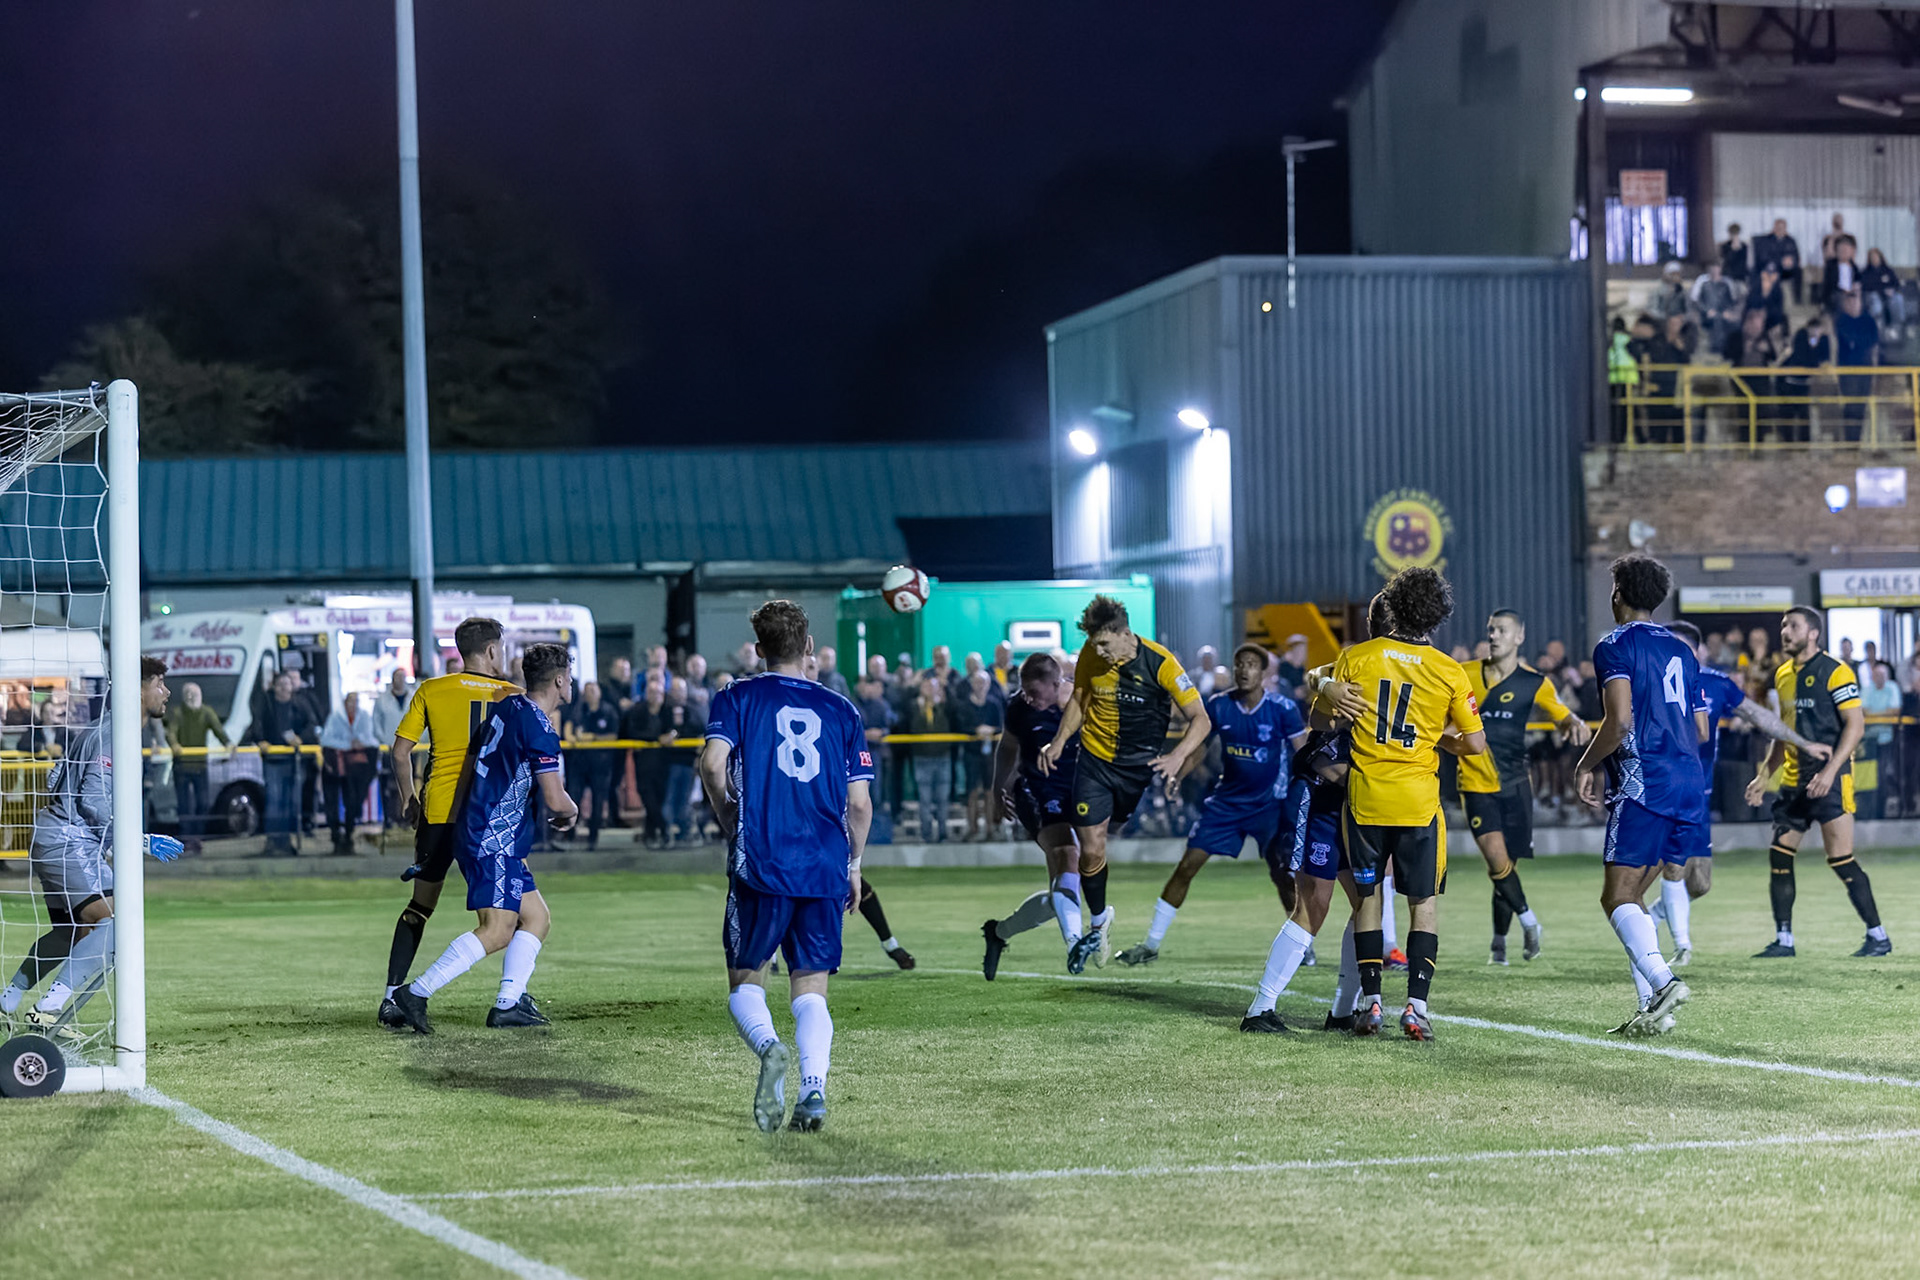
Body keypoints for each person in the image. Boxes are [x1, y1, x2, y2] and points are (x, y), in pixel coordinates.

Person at [699, 599, 873, 1133]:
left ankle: (769, 1047)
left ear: (759, 650)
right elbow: (860, 804)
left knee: (746, 981)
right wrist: (854, 863)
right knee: (811, 986)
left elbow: (711, 762)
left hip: (763, 859)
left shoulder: (736, 695)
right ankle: (814, 1091)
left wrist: (729, 812)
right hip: (824, 862)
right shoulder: (843, 710)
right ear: (808, 649)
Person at [1312, 568, 1484, 1040]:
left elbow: (1322, 722)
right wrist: (1440, 741)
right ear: (1438, 613)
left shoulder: (1356, 657)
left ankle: (1371, 1003)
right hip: (1418, 803)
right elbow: (1475, 744)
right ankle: (1416, 1007)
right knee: (1422, 903)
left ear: (1394, 604)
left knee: (1369, 899)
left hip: (1366, 798)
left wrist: (1322, 686)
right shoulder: (1451, 671)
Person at [388, 643, 578, 1034]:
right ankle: (415, 994)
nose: (571, 683)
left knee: (536, 918)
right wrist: (572, 812)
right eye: (570, 677)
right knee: (497, 929)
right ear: (559, 680)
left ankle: (509, 1003)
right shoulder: (541, 728)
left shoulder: (508, 708)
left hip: (483, 830)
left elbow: (474, 764)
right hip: (495, 839)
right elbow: (556, 799)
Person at [4, 658, 184, 1030]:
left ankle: (8, 999)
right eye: (160, 683)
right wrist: (139, 841)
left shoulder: (100, 729)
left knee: (74, 933)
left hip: (58, 838)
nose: (166, 692)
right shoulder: (113, 735)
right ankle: (48, 1009)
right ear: (138, 688)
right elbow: (94, 800)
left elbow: (58, 781)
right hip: (69, 842)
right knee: (118, 924)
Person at [1038, 594, 1210, 974]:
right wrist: (1060, 740)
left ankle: (1098, 915)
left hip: (1136, 770)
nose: (1097, 650)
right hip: (1094, 763)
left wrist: (1177, 756)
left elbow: (1201, 719)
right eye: (1094, 643)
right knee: (1091, 846)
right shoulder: (1090, 654)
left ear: (1125, 633)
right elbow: (1080, 698)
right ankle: (1098, 925)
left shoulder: (1161, 663)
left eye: (1104, 643)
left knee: (1107, 837)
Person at [1572, 554, 1700, 1037]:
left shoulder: (1614, 645)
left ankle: (1664, 982)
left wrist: (1586, 763)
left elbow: (1621, 719)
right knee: (1636, 897)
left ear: (1618, 594)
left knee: (1617, 896)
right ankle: (1651, 1008)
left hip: (1646, 780)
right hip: (1687, 780)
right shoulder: (1684, 650)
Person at [1117, 643, 1307, 966]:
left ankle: (1302, 946)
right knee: (1187, 865)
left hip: (1270, 806)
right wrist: (1180, 773)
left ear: (1264, 673)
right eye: (1239, 664)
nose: (1244, 670)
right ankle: (1150, 944)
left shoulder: (1282, 707)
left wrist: (1304, 794)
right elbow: (1200, 747)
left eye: (1251, 664)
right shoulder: (1219, 705)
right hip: (1226, 804)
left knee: (1282, 876)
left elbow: (1301, 753)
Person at [1656, 621, 1831, 963]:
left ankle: (1641, 917)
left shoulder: (1715, 684)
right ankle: (1681, 946)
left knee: (1700, 884)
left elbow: (1759, 716)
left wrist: (1801, 742)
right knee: (1672, 868)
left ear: (1695, 650)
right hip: (1660, 789)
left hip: (1698, 793)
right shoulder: (1650, 682)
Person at [378, 618, 518, 1029]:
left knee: (420, 907)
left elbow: (401, 752)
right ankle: (510, 998)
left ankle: (392, 997)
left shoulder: (432, 689)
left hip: (438, 814)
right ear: (492, 651)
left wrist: (408, 799)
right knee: (516, 910)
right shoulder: (512, 696)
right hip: (489, 818)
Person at [1745, 606, 1890, 958]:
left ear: (1813, 633)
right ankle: (1784, 941)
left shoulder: (1836, 672)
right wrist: (1764, 775)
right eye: (1783, 625)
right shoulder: (1781, 675)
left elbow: (1855, 727)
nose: (1785, 631)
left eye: (1793, 626)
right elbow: (1784, 733)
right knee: (1779, 854)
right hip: (1795, 783)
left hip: (1831, 779)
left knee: (1840, 858)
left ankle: (1878, 936)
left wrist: (1829, 772)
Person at [1458, 610, 1591, 965]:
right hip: (1475, 784)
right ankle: (1531, 922)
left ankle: (1498, 945)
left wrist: (1574, 724)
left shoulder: (1535, 682)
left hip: (1516, 784)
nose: (1494, 636)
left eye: (1502, 630)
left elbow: (1561, 714)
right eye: (1490, 630)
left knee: (1506, 869)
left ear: (1520, 637)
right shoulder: (1464, 674)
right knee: (1496, 860)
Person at [982, 652, 1083, 978]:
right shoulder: (1018, 706)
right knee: (1067, 853)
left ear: (1057, 685)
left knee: (1063, 886)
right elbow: (1008, 747)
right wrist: (998, 790)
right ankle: (1076, 945)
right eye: (1025, 691)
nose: (1029, 699)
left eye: (1036, 694)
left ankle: (998, 933)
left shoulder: (1080, 703)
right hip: (1034, 791)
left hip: (1074, 792)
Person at [251, 670, 317, 855]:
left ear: (291, 686)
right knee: (273, 801)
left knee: (291, 802)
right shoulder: (266, 704)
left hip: (294, 762)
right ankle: (273, 841)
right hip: (272, 761)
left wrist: (300, 738)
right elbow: (256, 724)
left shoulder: (300, 704)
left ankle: (287, 841)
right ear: (274, 686)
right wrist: (261, 740)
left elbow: (312, 725)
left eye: (286, 684)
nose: (283, 688)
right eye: (280, 684)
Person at [165, 680, 232, 853]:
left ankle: (197, 837)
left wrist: (229, 744)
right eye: (188, 693)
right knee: (184, 805)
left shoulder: (206, 713)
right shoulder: (178, 713)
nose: (191, 697)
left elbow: (218, 729)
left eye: (194, 694)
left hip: (200, 766)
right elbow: (171, 732)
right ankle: (187, 839)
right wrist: (175, 745)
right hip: (182, 767)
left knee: (203, 803)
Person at [318, 691, 381, 855]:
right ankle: (336, 837)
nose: (353, 705)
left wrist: (359, 743)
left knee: (353, 801)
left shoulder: (364, 717)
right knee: (332, 801)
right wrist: (348, 745)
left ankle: (348, 835)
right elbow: (326, 739)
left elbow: (370, 739)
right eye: (350, 701)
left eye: (355, 701)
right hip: (335, 767)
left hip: (354, 770)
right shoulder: (335, 717)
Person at [563, 681, 620, 848]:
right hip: (579, 765)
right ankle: (570, 836)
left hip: (600, 766)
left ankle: (592, 839)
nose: (590, 694)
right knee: (573, 799)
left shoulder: (608, 711)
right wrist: (571, 737)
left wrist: (593, 738)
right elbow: (569, 727)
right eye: (587, 691)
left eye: (593, 690)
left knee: (598, 802)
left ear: (599, 692)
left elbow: (613, 736)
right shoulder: (579, 710)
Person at [622, 670, 674, 847]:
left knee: (658, 799)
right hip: (644, 763)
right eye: (652, 692)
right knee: (648, 798)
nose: (655, 696)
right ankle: (664, 830)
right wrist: (657, 738)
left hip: (663, 763)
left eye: (659, 693)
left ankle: (650, 834)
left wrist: (671, 734)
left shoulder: (668, 710)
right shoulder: (637, 710)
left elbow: (676, 728)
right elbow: (633, 732)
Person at [951, 669, 1004, 841]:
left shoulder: (994, 704)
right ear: (972, 685)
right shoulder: (964, 705)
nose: (980, 686)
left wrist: (991, 730)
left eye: (984, 683)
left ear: (988, 685)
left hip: (990, 755)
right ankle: (972, 828)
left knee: (990, 792)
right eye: (977, 682)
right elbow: (960, 726)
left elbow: (1002, 726)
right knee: (972, 791)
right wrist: (976, 730)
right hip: (971, 754)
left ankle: (990, 829)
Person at [1831, 289, 1880, 442]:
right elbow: (1844, 342)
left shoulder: (1868, 320)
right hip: (1848, 370)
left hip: (1865, 369)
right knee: (1850, 406)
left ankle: (1857, 440)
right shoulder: (1842, 321)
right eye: (1849, 301)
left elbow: (1873, 343)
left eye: (1855, 300)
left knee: (1861, 407)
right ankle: (1850, 441)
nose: (1852, 304)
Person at [371, 669, 412, 827]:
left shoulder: (414, 697)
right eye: (397, 677)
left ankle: (405, 817)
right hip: (389, 748)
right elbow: (376, 723)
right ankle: (389, 818)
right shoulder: (382, 700)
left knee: (407, 784)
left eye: (402, 677)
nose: (400, 680)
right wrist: (385, 740)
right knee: (389, 785)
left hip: (410, 748)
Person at [1690, 259, 1745, 360]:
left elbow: (1732, 301)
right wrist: (1707, 311)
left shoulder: (1726, 283)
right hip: (1706, 315)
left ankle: (1733, 355)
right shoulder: (1703, 282)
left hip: (1724, 313)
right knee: (1716, 319)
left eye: (1717, 267)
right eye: (1713, 267)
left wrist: (1728, 312)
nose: (1715, 270)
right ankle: (1717, 350)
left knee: (1735, 323)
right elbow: (1696, 302)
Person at [1752, 218, 1802, 304]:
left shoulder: (1790, 240)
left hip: (1787, 270)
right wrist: (1781, 261)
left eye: (1782, 227)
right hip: (1774, 268)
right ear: (1774, 228)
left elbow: (1796, 256)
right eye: (1778, 227)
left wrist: (1791, 262)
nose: (1780, 230)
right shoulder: (1767, 240)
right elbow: (1765, 257)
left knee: (1799, 271)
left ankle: (1798, 299)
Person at [1859, 248, 1905, 338]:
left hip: (1889, 297)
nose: (1874, 259)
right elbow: (1866, 286)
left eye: (1876, 256)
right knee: (1875, 299)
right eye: (1872, 257)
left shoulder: (1887, 270)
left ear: (1880, 257)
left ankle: (1897, 327)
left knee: (1898, 298)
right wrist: (1882, 290)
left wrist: (1892, 290)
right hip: (1874, 298)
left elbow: (1896, 284)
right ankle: (1878, 329)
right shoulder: (1866, 272)